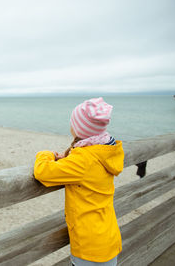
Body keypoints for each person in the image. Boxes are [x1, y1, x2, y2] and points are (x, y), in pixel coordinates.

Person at [34, 98, 124, 266]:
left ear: (78, 128)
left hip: (90, 246)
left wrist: (45, 154)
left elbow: (43, 172)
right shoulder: (105, 150)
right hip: (108, 238)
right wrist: (67, 159)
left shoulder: (83, 160)